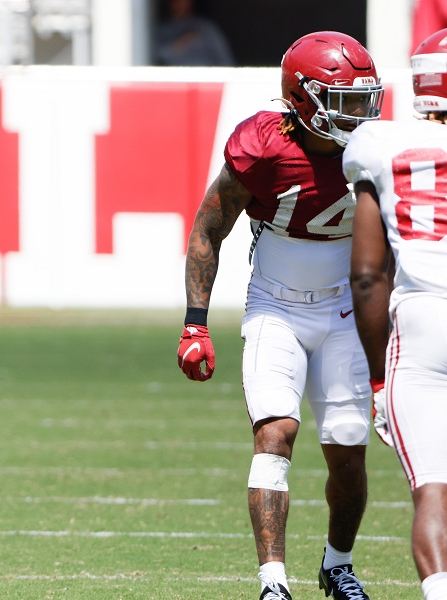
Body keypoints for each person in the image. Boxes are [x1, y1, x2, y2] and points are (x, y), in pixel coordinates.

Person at [176, 31, 384, 600]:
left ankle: (337, 565)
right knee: (276, 432)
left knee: (346, 446)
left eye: (366, 99)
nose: (360, 114)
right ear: (302, 99)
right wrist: (196, 321)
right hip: (276, 305)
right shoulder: (263, 144)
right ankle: (273, 583)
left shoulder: (378, 148)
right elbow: (208, 229)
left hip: (346, 307)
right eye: (344, 101)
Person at [344, 27, 447, 600]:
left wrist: (379, 378)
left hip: (423, 320)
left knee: (433, 489)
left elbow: (365, 274)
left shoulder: (379, 144)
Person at [154, 0, 234, 67]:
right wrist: (180, 43)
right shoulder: (162, 30)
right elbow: (152, 55)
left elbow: (225, 61)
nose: (181, 3)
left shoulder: (205, 28)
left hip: (205, 80)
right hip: (174, 81)